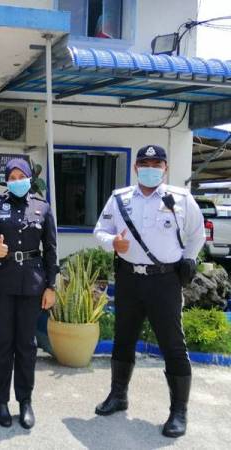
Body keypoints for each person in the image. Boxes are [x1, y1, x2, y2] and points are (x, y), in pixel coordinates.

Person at [94, 145, 205, 438]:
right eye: (145, 163)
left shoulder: (181, 199)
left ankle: (179, 411)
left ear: (165, 168)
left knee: (173, 345)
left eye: (157, 164)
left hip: (165, 281)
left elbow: (197, 234)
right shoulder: (120, 198)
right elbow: (100, 230)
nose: (151, 168)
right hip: (129, 278)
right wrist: (112, 243)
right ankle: (118, 395)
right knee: (123, 338)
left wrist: (189, 259)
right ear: (136, 167)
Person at [0, 158, 58, 429]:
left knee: (27, 345)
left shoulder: (43, 207)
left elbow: (51, 250)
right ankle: (1, 402)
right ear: (7, 180)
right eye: (12, 177)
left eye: (21, 175)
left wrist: (51, 286)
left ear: (30, 178)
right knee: (3, 344)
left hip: (32, 284)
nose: (17, 180)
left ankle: (25, 401)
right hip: (3, 283)